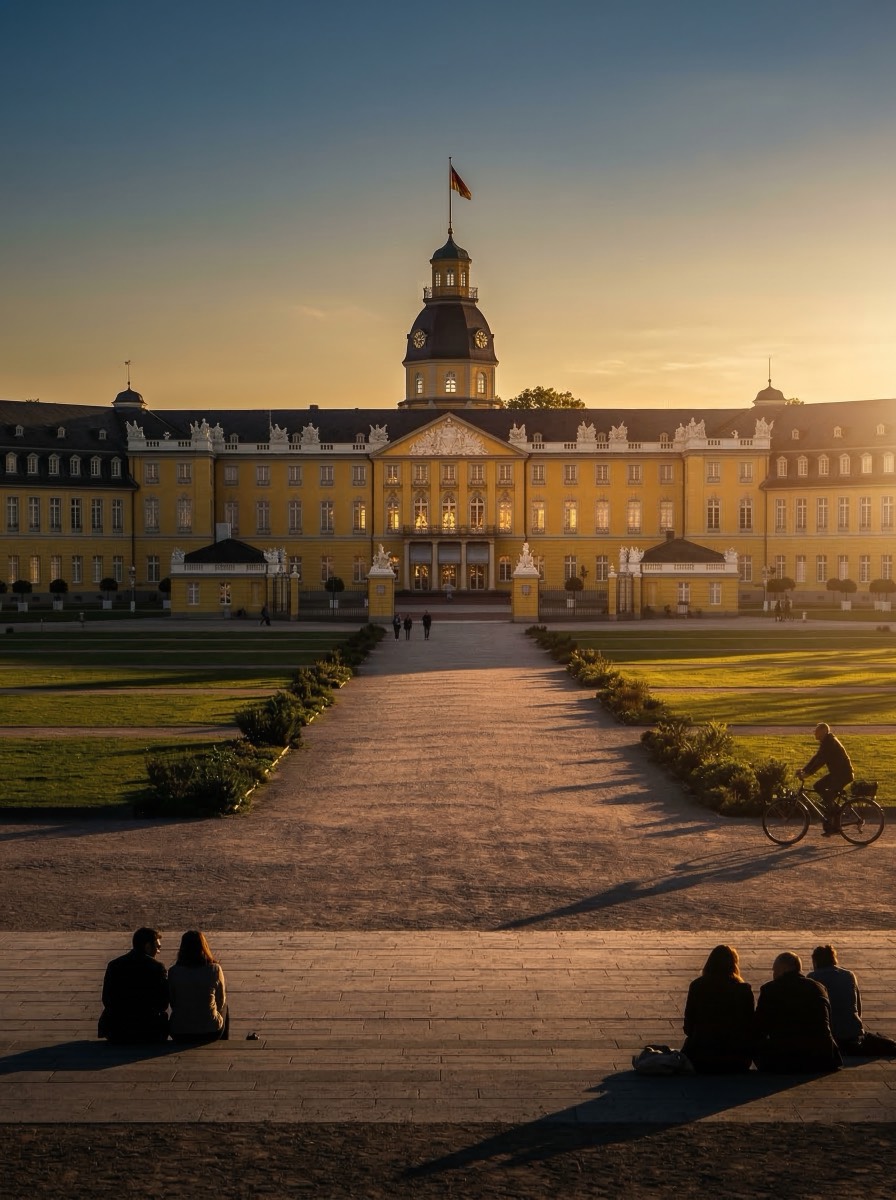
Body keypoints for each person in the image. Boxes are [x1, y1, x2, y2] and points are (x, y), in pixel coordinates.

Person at [753, 952, 841, 1073]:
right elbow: (828, 1024)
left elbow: (759, 1027)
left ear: (785, 968)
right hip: (821, 1059)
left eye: (775, 970)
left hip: (782, 1060)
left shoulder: (769, 989)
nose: (773, 974)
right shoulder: (819, 988)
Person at [808, 944, 896, 1057]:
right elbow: (858, 1007)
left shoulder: (813, 977)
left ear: (815, 961)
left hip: (830, 1036)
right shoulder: (849, 975)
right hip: (853, 1033)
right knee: (876, 1039)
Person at [682, 944, 755, 1074]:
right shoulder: (743, 989)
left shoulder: (697, 986)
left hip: (701, 1059)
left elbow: (688, 1026)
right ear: (734, 965)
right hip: (736, 1060)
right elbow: (750, 1025)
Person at [98, 927, 169, 1044]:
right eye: (157, 947)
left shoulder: (114, 965)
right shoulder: (157, 968)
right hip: (149, 1032)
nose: (158, 951)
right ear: (147, 946)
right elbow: (162, 1004)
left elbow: (107, 999)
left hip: (116, 1031)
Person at [167, 930, 229, 1042]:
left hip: (179, 1032)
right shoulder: (214, 969)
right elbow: (221, 1000)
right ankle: (223, 1042)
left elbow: (173, 1002)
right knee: (225, 1007)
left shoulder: (173, 971)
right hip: (210, 1032)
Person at [796, 723, 854, 834]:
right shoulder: (826, 742)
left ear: (823, 732)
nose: (814, 733)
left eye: (816, 731)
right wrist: (804, 770)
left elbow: (821, 761)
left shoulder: (830, 743)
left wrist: (808, 773)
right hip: (837, 774)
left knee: (828, 797)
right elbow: (817, 757)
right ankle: (832, 813)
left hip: (843, 774)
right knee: (818, 786)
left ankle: (835, 822)